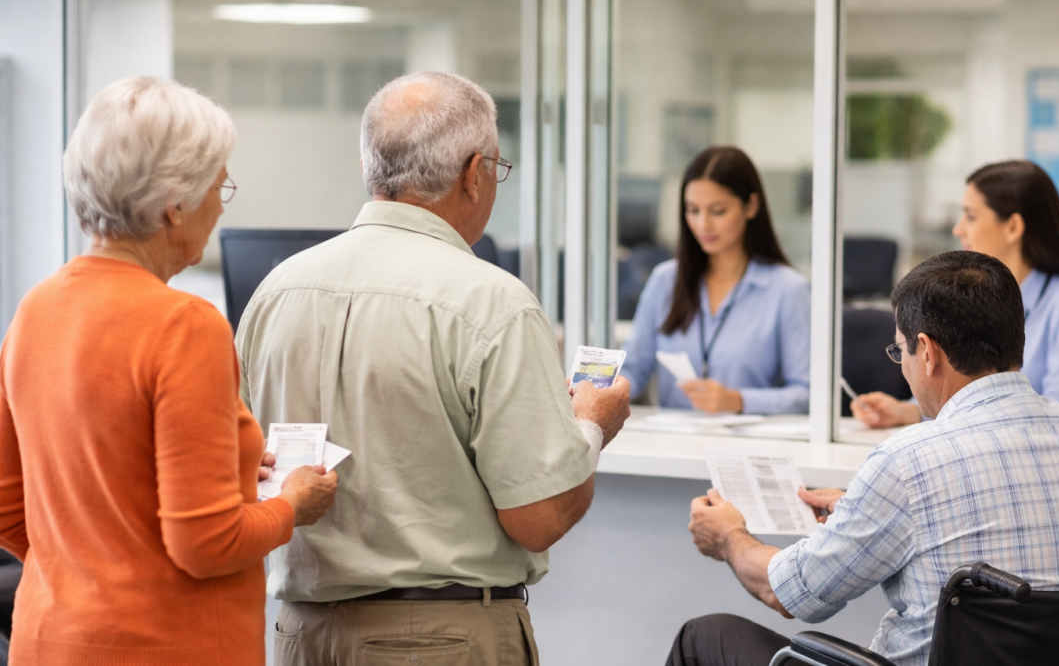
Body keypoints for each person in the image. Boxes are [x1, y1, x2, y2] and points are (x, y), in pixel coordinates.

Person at [235, 71, 632, 666]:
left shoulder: (274, 293)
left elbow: (243, 470)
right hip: (441, 640)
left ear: (370, 168)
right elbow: (539, 516)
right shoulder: (492, 302)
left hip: (300, 635)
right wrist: (592, 424)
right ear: (474, 173)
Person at [0, 77, 338, 665]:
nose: (221, 205)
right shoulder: (185, 325)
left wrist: (89, 576)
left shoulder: (36, 309)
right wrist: (292, 504)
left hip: (49, 641)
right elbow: (208, 544)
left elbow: (10, 507)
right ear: (173, 205)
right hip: (167, 648)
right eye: (219, 185)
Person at [669, 251, 1059, 666]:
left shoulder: (909, 461)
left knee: (704, 637)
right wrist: (864, 508)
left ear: (927, 352)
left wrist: (729, 536)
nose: (904, 365)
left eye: (900, 350)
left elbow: (790, 592)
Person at [854, 160, 1059, 427]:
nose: (958, 229)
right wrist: (908, 411)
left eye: (971, 216)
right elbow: (959, 380)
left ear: (1012, 227)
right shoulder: (975, 296)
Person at [620, 146, 811, 414]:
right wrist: (601, 389)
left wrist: (739, 401)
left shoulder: (789, 290)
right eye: (693, 210)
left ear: (751, 206)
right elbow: (635, 367)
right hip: (671, 437)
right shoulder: (665, 281)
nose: (703, 225)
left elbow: (808, 395)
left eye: (718, 211)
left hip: (752, 438)